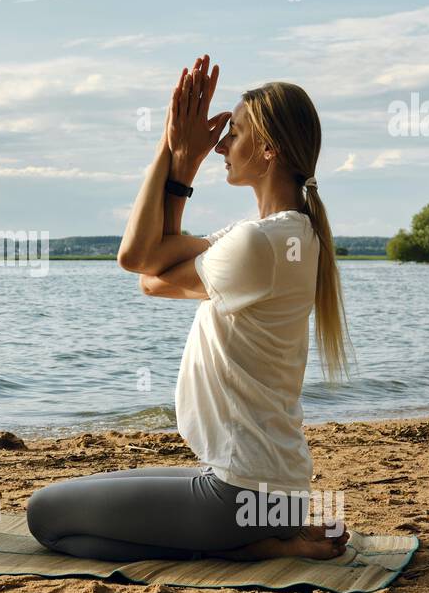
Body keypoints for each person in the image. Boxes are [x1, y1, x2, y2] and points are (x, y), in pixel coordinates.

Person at [26, 56, 352, 562]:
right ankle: (263, 538)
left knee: (45, 516)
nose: (221, 144)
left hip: (241, 494)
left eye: (234, 134)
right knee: (84, 499)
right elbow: (153, 280)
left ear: (268, 150)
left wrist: (174, 152)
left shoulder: (258, 245)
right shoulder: (287, 235)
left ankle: (255, 548)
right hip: (274, 492)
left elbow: (136, 258)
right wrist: (180, 159)